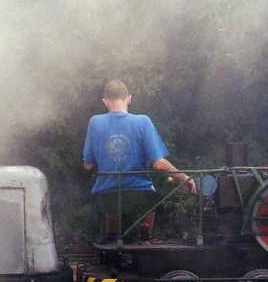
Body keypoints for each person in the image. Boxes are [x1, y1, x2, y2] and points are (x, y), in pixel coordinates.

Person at [82, 79, 196, 242]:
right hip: (140, 194)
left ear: (105, 101)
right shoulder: (142, 121)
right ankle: (145, 238)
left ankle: (113, 240)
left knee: (110, 205)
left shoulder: (95, 122)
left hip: (108, 194)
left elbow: (88, 165)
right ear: (129, 98)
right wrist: (185, 178)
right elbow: (159, 163)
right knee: (146, 202)